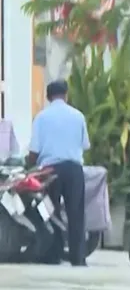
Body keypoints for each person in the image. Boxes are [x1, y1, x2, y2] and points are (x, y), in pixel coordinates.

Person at [26, 80, 89, 266]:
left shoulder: (41, 118)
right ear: (66, 95)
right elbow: (84, 145)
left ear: (47, 97)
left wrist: (29, 164)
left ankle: (54, 255)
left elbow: (34, 151)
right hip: (74, 170)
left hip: (50, 170)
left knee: (50, 212)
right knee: (76, 213)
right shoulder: (78, 116)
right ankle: (78, 258)